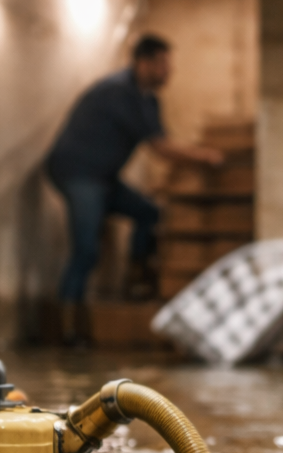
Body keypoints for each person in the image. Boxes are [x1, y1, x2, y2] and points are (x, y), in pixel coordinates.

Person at [46, 34, 223, 339]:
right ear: (145, 63)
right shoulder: (119, 92)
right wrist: (205, 156)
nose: (169, 71)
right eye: (164, 64)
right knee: (86, 250)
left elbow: (160, 142)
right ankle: (66, 328)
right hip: (78, 172)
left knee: (149, 213)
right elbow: (161, 147)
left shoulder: (147, 99)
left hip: (104, 177)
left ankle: (137, 277)